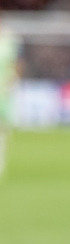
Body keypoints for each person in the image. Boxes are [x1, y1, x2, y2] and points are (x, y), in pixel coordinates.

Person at [0, 16, 20, 176]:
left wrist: (14, 81)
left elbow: (17, 64)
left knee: (2, 128)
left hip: (3, 92)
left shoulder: (9, 39)